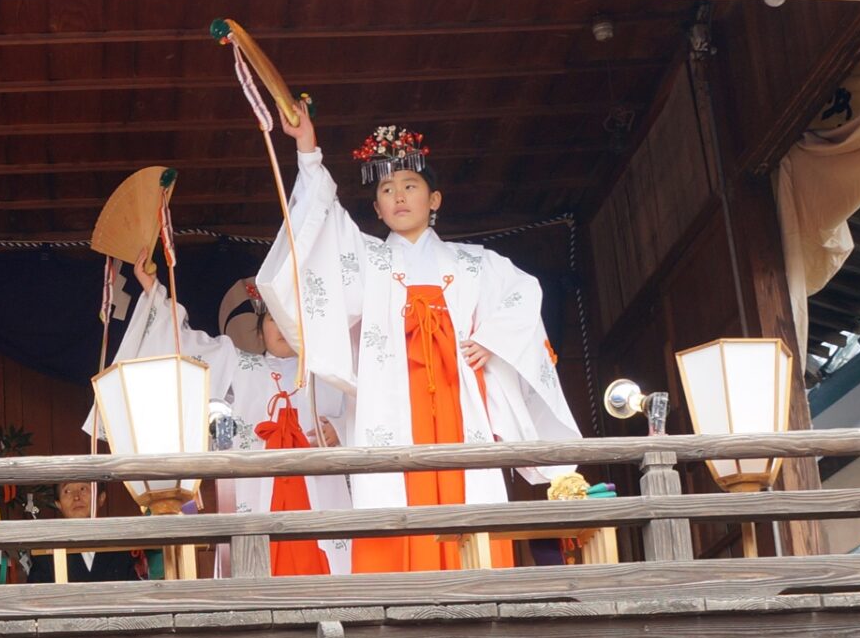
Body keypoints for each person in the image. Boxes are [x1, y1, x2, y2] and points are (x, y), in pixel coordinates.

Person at [256, 114, 580, 571]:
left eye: (410, 185)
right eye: (387, 190)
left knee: (469, 490)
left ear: (434, 199)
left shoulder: (475, 264)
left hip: (459, 400)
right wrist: (308, 151)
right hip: (389, 404)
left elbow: (523, 294)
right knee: (392, 493)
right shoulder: (367, 261)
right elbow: (323, 225)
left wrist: (492, 339)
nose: (399, 196)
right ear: (377, 209)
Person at [104, 277, 352, 575]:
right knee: (257, 565)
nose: (281, 327)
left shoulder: (328, 375)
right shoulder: (240, 366)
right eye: (272, 319)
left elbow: (367, 407)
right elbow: (187, 343)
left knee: (323, 564)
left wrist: (340, 427)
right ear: (259, 329)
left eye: (290, 319)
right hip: (257, 490)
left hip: (317, 492)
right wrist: (153, 292)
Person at [49, 480, 146, 582]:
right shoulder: (47, 551)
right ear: (58, 504)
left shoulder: (123, 547)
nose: (76, 497)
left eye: (83, 489)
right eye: (67, 491)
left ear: (101, 498)